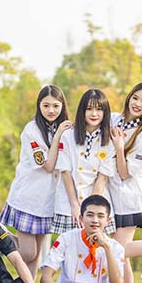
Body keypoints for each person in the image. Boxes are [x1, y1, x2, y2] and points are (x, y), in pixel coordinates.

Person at [0, 85, 72, 279]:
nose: (51, 110)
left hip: (48, 201)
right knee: (28, 253)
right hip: (28, 197)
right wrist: (59, 135)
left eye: (56, 106)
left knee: (36, 255)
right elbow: (48, 166)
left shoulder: (65, 129)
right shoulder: (31, 130)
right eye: (46, 105)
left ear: (62, 106)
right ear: (39, 106)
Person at [37, 194, 129, 283]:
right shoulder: (66, 238)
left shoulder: (115, 247)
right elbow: (45, 277)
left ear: (108, 220)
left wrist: (106, 247)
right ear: (81, 218)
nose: (95, 220)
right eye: (90, 215)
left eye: (100, 216)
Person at [109, 82, 142, 283]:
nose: (138, 104)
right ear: (129, 97)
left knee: (119, 250)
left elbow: (124, 173)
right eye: (135, 98)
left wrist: (119, 148)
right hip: (111, 194)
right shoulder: (114, 119)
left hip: (129, 197)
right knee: (120, 255)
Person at [50, 88, 116, 235]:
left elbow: (102, 178)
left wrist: (91, 210)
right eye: (89, 109)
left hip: (97, 203)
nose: (94, 114)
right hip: (69, 203)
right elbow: (65, 172)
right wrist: (75, 205)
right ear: (82, 111)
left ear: (105, 112)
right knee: (69, 245)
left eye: (99, 109)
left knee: (97, 246)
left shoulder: (109, 140)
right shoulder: (68, 136)